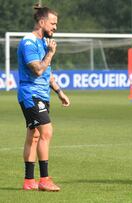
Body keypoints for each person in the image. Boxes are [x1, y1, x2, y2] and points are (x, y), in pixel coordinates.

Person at [17, 4, 70, 191]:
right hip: (30, 95)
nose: (55, 27)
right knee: (46, 131)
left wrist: (59, 92)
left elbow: (47, 73)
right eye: (53, 23)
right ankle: (44, 180)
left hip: (42, 94)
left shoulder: (42, 43)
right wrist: (50, 53)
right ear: (42, 22)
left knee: (35, 135)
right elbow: (38, 70)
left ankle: (28, 181)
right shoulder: (29, 42)